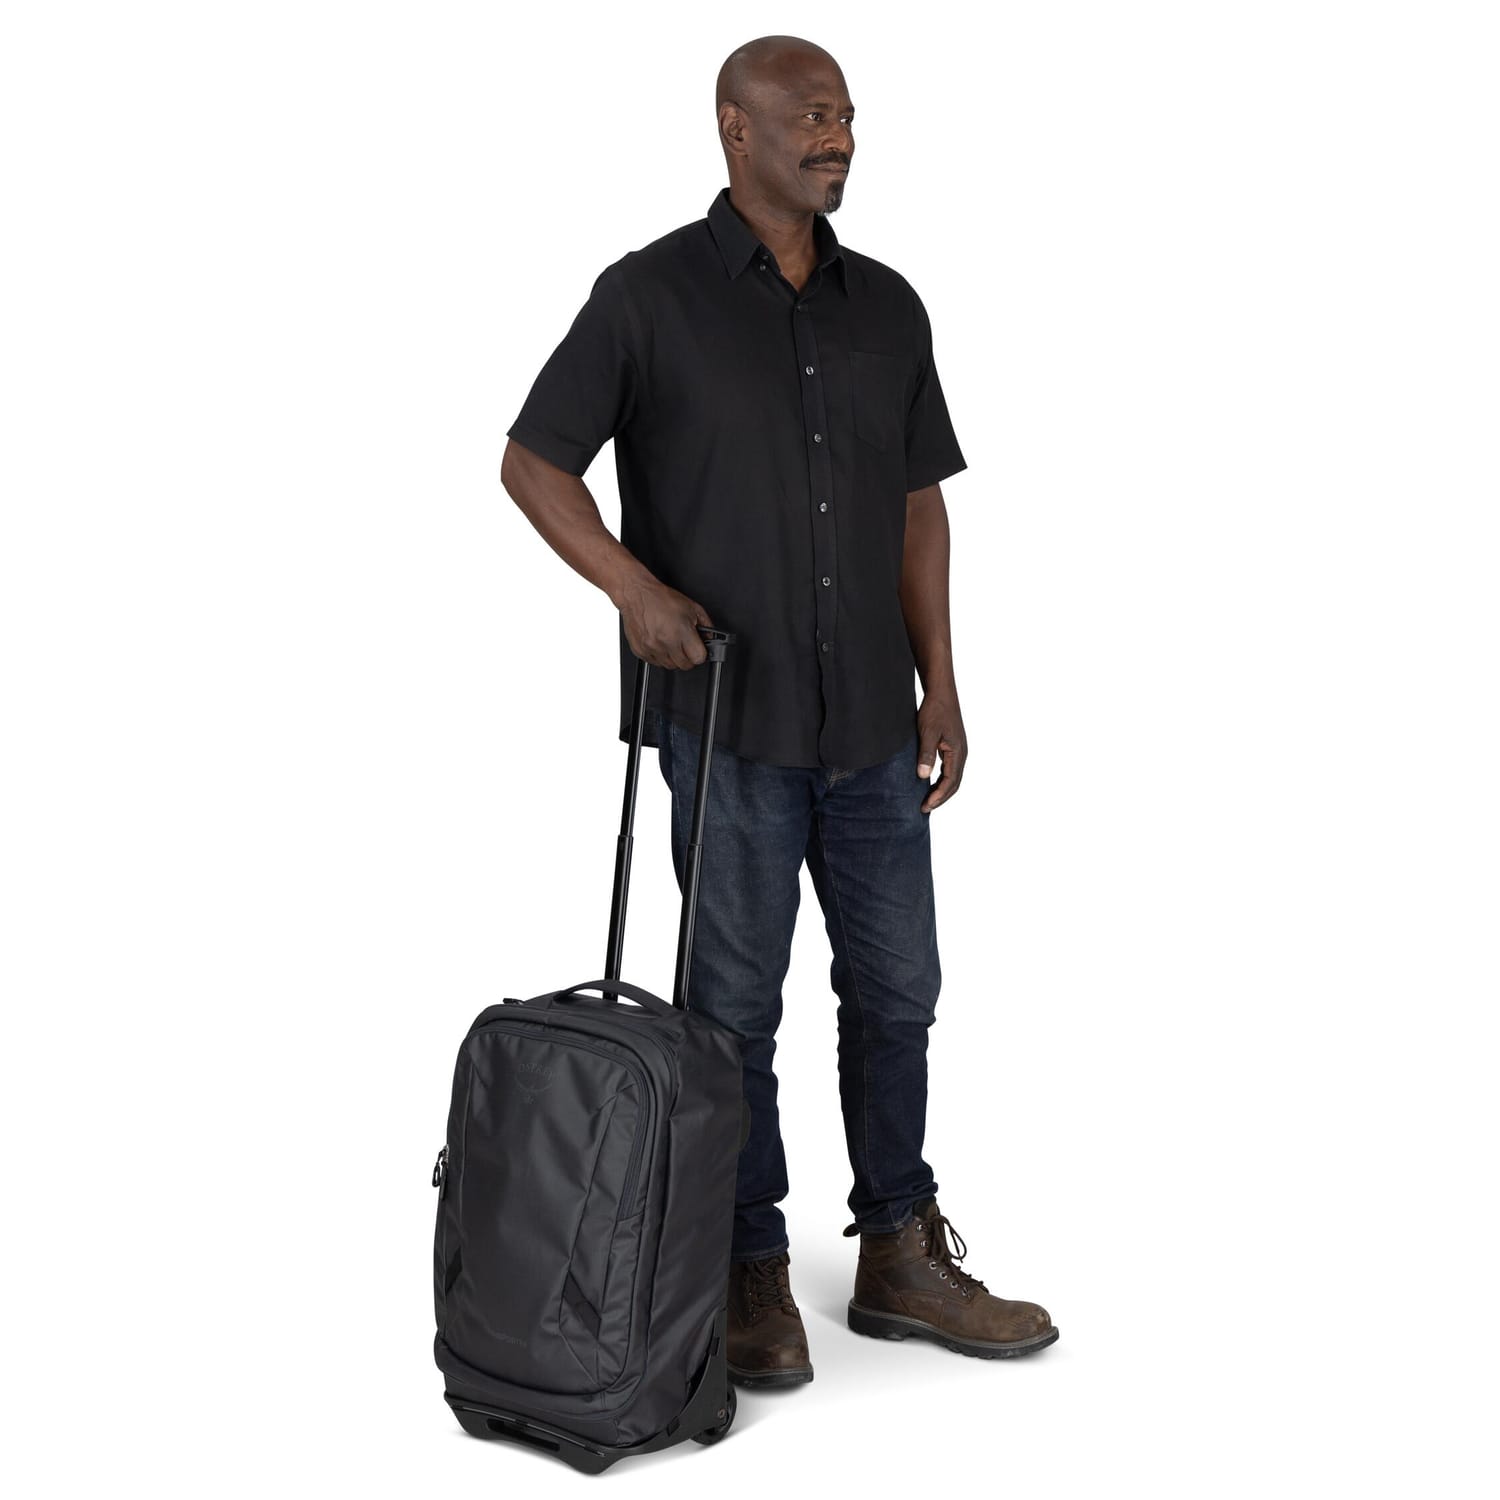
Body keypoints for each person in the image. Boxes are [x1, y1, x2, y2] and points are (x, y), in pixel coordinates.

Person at [500, 34, 1058, 1385]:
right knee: (732, 1011)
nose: (837, 137)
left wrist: (942, 680)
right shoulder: (647, 298)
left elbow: (918, 506)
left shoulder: (889, 308)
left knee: (899, 991)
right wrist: (632, 589)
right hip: (728, 723)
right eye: (811, 115)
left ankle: (899, 1251)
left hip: (871, 721)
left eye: (846, 115)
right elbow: (533, 463)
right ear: (733, 129)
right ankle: (748, 1264)